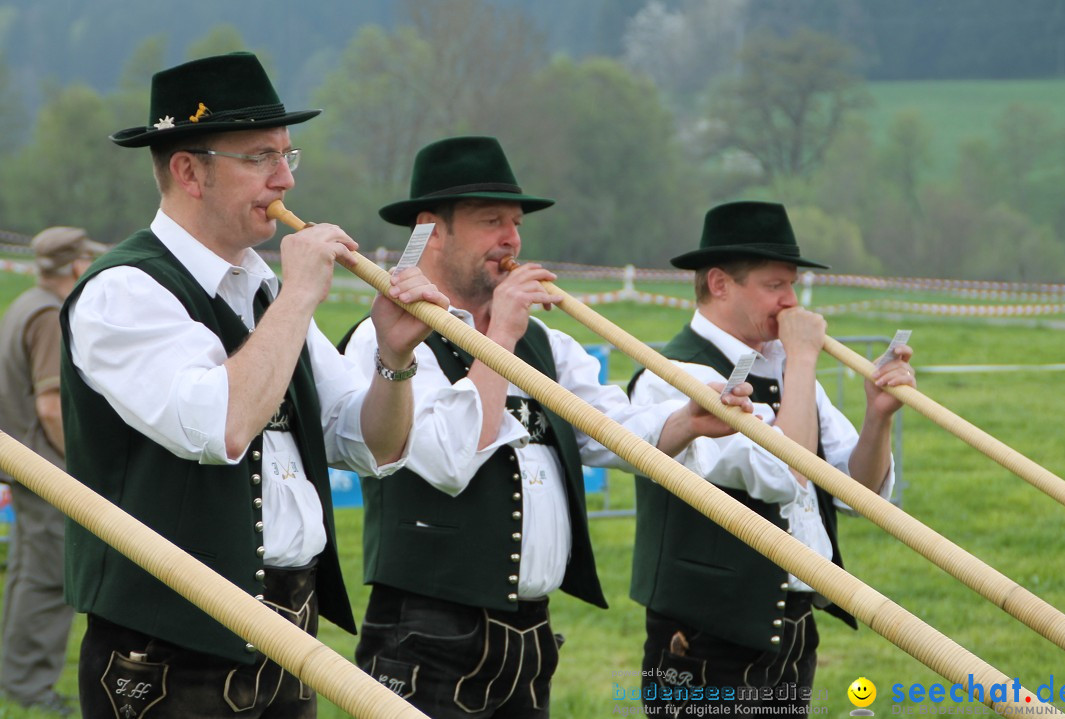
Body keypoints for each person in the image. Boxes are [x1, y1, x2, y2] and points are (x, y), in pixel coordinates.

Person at [60, 52, 446, 718]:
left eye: (291, 155)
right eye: (262, 156)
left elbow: (369, 442)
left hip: (291, 636)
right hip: (169, 653)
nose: (285, 179)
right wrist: (300, 293)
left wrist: (393, 357)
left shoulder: (263, 290)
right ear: (189, 171)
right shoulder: (123, 291)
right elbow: (222, 424)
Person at [340, 136, 752, 719]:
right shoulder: (387, 338)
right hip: (425, 634)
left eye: (516, 223)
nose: (512, 240)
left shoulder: (544, 343)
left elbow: (605, 426)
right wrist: (499, 335)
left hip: (530, 632)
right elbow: (447, 461)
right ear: (431, 230)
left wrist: (686, 420)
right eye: (491, 222)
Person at [628, 201, 916, 716]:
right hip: (704, 639)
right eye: (775, 285)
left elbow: (859, 492)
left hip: (793, 625)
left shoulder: (786, 366)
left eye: (793, 285)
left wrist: (879, 417)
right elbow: (786, 471)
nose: (790, 302)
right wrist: (803, 359)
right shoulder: (670, 372)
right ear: (719, 284)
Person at [0, 227, 107, 715]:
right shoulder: (48, 314)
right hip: (46, 468)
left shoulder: (26, 302)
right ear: (73, 266)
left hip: (23, 462)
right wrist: (79, 468)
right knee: (46, 583)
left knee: (26, 575)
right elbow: (49, 406)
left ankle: (15, 681)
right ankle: (30, 690)